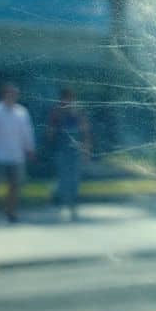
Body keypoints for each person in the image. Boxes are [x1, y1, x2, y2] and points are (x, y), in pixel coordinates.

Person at [0, 83, 36, 224]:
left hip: (16, 155)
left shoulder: (22, 112)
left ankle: (11, 212)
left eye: (15, 94)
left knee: (15, 185)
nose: (13, 96)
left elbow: (26, 132)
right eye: (10, 93)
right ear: (4, 94)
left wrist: (29, 148)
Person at [47, 88, 91, 221]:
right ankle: (61, 202)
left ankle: (72, 206)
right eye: (66, 98)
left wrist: (86, 150)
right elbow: (51, 131)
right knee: (63, 178)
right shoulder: (56, 111)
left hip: (75, 151)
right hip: (61, 150)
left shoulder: (78, 112)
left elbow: (85, 132)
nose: (68, 101)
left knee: (74, 179)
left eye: (71, 98)